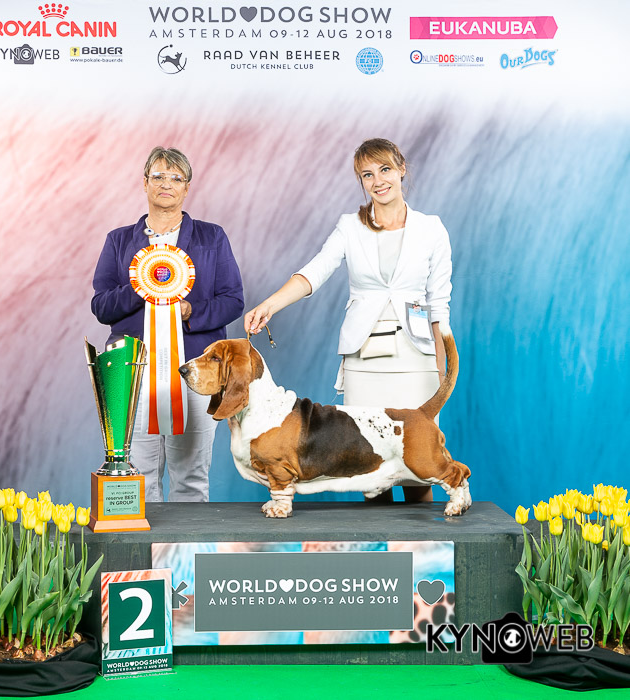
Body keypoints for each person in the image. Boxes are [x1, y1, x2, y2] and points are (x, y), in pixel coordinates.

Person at [244, 138, 453, 503]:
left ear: (402, 168)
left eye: (385, 170)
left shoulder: (431, 228)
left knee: (420, 469)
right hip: (364, 359)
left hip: (416, 360)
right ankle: (381, 540)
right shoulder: (349, 226)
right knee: (368, 467)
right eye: (367, 175)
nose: (378, 181)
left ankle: (422, 539)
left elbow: (439, 305)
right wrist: (270, 305)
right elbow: (315, 271)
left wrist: (440, 373)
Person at [92, 146, 244, 502]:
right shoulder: (118, 240)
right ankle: (143, 542)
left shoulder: (212, 237)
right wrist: (141, 286)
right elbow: (101, 306)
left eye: (176, 178)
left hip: (197, 371)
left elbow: (233, 300)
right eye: (158, 176)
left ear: (187, 187)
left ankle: (187, 543)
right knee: (137, 479)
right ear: (144, 183)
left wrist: (191, 312)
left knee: (191, 478)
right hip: (132, 372)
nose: (166, 184)